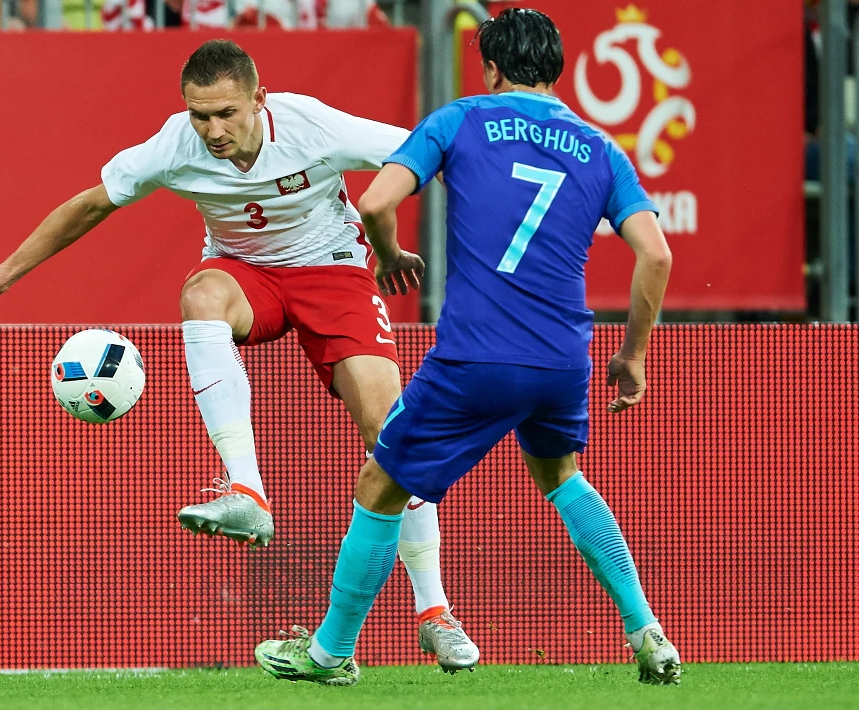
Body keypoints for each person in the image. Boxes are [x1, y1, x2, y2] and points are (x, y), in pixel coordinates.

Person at [0, 39, 479, 672]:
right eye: (200, 115)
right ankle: (247, 492)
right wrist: (5, 273)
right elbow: (91, 204)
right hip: (246, 277)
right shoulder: (176, 145)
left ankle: (434, 613)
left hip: (333, 273)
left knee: (391, 434)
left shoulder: (314, 126)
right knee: (200, 293)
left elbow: (431, 153)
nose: (213, 130)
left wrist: (421, 244)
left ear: (260, 98)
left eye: (226, 113)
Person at [255, 8, 681, 686]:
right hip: (562, 360)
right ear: (557, 69)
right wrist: (633, 356)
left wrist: (390, 253)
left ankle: (330, 652)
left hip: (478, 357)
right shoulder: (602, 148)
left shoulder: (460, 120)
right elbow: (655, 254)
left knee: (379, 484)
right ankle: (648, 631)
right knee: (561, 476)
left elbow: (373, 204)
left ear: (490, 66)